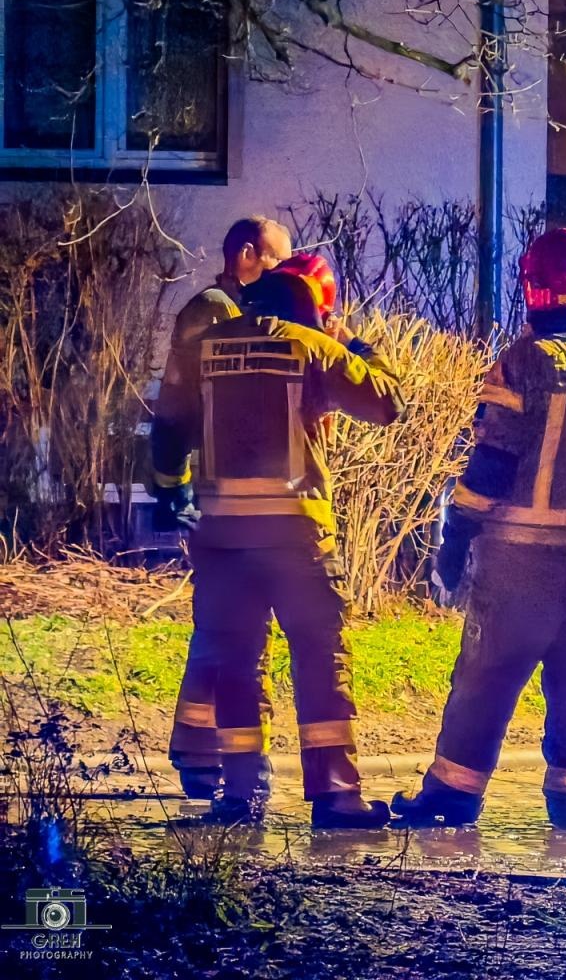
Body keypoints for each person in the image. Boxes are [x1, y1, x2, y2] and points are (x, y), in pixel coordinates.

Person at [392, 229, 566, 833]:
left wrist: (456, 535)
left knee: (487, 675)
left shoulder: (526, 359)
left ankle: (452, 797)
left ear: (536, 289)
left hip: (523, 561)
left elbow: (493, 462)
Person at [150, 264, 404, 827]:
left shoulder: (203, 348)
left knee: (236, 663)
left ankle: (241, 796)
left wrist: (172, 492)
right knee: (320, 660)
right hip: (297, 539)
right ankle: (337, 796)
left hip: (223, 542)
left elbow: (167, 431)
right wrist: (356, 343)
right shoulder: (312, 346)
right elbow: (388, 403)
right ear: (311, 308)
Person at [156, 216, 294, 802]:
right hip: (224, 495)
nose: (283, 274)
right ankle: (203, 755)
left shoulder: (228, 308)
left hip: (231, 492)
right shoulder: (215, 310)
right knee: (223, 626)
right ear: (246, 254)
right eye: (276, 261)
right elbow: (182, 403)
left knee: (224, 625)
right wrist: (175, 487)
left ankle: (198, 751)